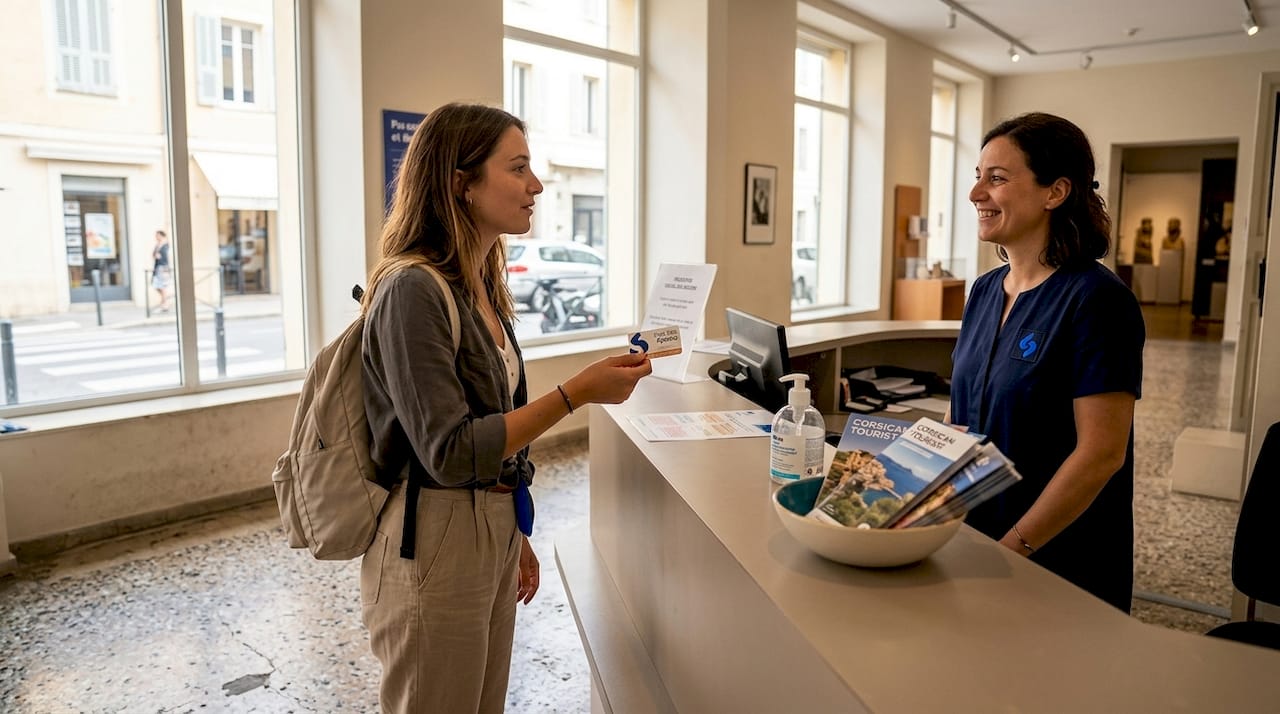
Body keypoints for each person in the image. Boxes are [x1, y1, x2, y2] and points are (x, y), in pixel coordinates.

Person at [357, 102, 652, 713]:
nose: (536, 185)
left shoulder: (482, 283)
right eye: (517, 168)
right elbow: (451, 450)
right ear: (461, 183)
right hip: (433, 534)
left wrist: (510, 526)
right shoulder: (412, 289)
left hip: (484, 524)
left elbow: (492, 428)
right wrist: (576, 393)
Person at [950, 112, 1145, 613]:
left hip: (1055, 557)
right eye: (977, 177)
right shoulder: (984, 291)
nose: (976, 194)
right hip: (976, 541)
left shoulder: (1097, 300)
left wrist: (1013, 549)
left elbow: (1101, 454)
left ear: (1054, 192)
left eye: (996, 178)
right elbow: (959, 418)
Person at [151, 230, 172, 311]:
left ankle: (165, 304)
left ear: (161, 236)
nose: (156, 237)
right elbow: (153, 255)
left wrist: (159, 257)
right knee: (156, 285)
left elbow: (165, 257)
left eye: (157, 235)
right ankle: (165, 301)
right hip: (157, 267)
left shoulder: (166, 245)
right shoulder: (158, 245)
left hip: (163, 268)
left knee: (162, 286)